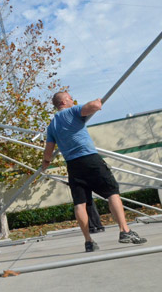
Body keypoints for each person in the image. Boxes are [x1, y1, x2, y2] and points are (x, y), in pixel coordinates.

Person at [42, 92, 146, 252]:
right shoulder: (72, 111)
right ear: (64, 102)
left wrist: (45, 165)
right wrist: (97, 101)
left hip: (73, 165)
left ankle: (88, 242)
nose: (73, 100)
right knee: (112, 192)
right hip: (89, 159)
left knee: (80, 203)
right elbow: (96, 106)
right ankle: (124, 231)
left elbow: (48, 152)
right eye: (70, 98)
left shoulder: (52, 125)